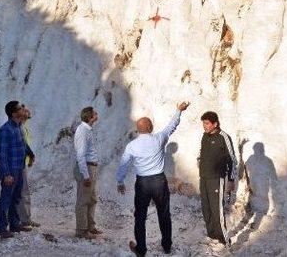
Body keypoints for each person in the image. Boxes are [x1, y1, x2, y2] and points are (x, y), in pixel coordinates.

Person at [116, 101, 190, 256]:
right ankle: (167, 246)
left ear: (138, 130)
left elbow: (123, 164)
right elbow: (172, 126)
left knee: (140, 217)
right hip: (159, 182)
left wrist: (120, 181)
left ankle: (141, 249)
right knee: (164, 214)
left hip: (142, 183)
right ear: (150, 128)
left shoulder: (132, 146)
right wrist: (179, 110)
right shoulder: (159, 139)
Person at [197, 111, 238, 246]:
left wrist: (231, 180)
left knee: (217, 209)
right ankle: (212, 234)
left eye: (207, 123)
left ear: (215, 123)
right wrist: (199, 161)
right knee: (206, 208)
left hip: (216, 179)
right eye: (203, 123)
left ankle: (224, 239)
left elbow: (232, 159)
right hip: (203, 178)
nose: (205, 126)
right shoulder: (204, 136)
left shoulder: (223, 137)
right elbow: (201, 152)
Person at [0, 101, 33, 238]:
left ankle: (14, 224)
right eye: (19, 109)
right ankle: (1, 228)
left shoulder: (18, 126)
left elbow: (23, 144)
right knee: (6, 199)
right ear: (13, 113)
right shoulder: (6, 129)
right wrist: (6, 174)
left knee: (16, 198)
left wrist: (30, 153)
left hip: (19, 167)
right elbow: (3, 154)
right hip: (10, 171)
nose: (22, 110)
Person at [73, 106, 102, 239]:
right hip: (86, 168)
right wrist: (85, 175)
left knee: (92, 199)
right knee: (83, 200)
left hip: (91, 168)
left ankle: (90, 226)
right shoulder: (82, 131)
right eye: (95, 113)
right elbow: (80, 155)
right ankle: (81, 230)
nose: (97, 114)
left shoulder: (87, 130)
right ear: (90, 117)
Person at [16, 105, 39, 229]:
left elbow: (25, 145)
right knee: (22, 192)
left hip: (22, 162)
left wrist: (30, 157)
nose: (28, 111)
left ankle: (25, 218)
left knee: (24, 192)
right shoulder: (18, 127)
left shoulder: (23, 127)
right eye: (24, 110)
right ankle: (23, 220)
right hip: (18, 164)